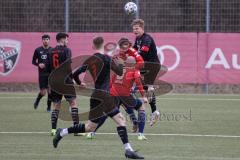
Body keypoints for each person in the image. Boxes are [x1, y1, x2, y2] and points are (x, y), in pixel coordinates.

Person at [52, 36, 144, 159]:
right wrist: (119, 63)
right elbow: (120, 72)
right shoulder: (107, 59)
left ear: (93, 46)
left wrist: (80, 84)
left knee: (90, 127)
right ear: (104, 45)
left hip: (95, 95)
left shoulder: (90, 60)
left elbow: (75, 74)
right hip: (104, 95)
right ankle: (128, 150)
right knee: (121, 120)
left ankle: (62, 132)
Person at [86, 38, 148, 141]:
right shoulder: (135, 70)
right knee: (141, 106)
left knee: (106, 113)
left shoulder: (119, 69)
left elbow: (111, 82)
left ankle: (92, 132)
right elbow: (139, 84)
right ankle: (140, 134)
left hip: (114, 94)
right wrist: (144, 96)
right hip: (125, 95)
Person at [47, 33, 79, 136]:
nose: (67, 41)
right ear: (63, 39)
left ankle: (53, 129)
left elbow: (48, 68)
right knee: (73, 103)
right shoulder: (67, 50)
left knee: (56, 105)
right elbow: (68, 66)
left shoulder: (50, 51)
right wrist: (72, 79)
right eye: (66, 39)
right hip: (65, 80)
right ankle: (76, 129)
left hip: (55, 81)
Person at [132, 19, 161, 126]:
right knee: (145, 88)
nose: (135, 31)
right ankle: (154, 111)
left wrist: (132, 56)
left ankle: (145, 88)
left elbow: (143, 52)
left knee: (138, 82)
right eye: (134, 29)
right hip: (146, 66)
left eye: (137, 28)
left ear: (142, 28)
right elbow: (133, 50)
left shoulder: (147, 39)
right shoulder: (138, 39)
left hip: (152, 66)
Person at [32, 34, 52, 112]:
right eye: (44, 39)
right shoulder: (37, 50)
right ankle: (37, 100)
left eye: (47, 39)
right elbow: (33, 61)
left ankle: (49, 107)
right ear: (42, 40)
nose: (45, 41)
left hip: (51, 73)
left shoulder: (52, 50)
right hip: (42, 74)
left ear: (49, 40)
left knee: (50, 91)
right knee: (43, 92)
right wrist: (38, 64)